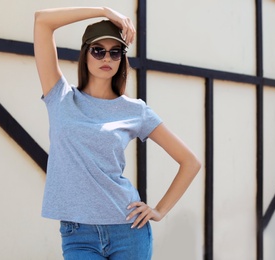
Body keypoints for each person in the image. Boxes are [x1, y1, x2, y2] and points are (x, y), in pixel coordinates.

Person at [34, 6, 201, 260]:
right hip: (78, 235)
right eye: (98, 50)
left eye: (115, 52)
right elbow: (42, 21)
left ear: (122, 58)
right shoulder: (61, 97)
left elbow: (190, 162)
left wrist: (159, 210)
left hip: (128, 230)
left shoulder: (135, 111)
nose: (106, 59)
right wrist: (103, 10)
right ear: (86, 54)